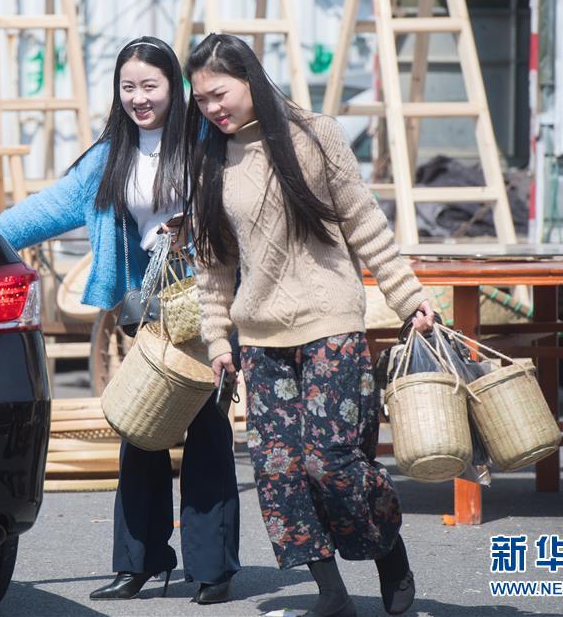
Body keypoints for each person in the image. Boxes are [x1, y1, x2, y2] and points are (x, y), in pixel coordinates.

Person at [183, 33, 435, 617]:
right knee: (279, 469)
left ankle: (390, 554)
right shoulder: (209, 162)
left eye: (220, 94)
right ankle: (331, 594)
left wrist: (407, 297)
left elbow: (364, 221)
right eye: (201, 101)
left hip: (331, 324)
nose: (213, 108)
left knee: (331, 461)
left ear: (250, 80)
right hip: (261, 340)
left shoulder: (316, 135)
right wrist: (218, 340)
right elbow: (213, 267)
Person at [0, 36, 240, 604]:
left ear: (175, 87)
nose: (138, 98)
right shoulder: (110, 155)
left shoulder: (207, 142)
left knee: (207, 432)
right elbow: (46, 209)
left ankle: (212, 569)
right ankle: (139, 564)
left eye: (150, 85)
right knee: (140, 425)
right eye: (128, 87)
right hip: (149, 309)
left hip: (209, 302)